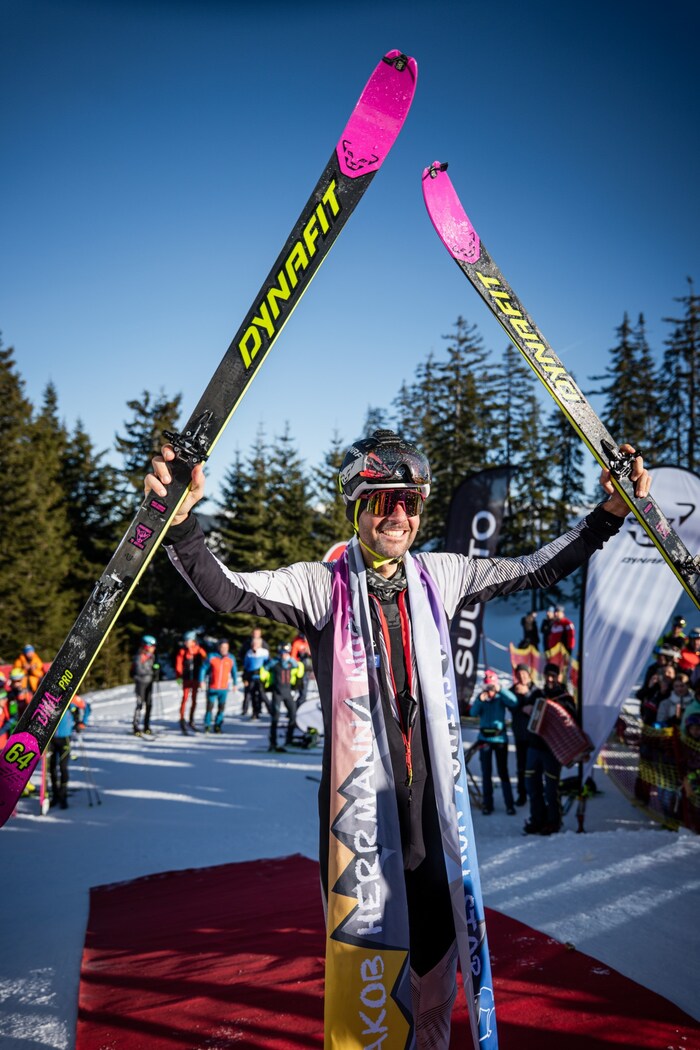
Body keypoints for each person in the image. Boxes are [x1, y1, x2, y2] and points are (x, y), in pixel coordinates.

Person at [146, 428, 649, 1049]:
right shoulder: (319, 584)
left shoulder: (442, 573)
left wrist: (610, 515)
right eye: (384, 500)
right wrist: (180, 522)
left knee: (437, 946)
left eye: (411, 501)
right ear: (358, 504)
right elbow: (225, 591)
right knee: (370, 956)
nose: (400, 514)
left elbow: (535, 569)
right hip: (360, 812)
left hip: (433, 813)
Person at [523, 662, 575, 835]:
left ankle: (553, 821)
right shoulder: (538, 694)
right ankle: (537, 819)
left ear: (559, 677)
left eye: (554, 675)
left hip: (552, 750)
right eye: (548, 675)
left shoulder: (565, 698)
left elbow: (571, 721)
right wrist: (527, 708)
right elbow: (523, 707)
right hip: (534, 746)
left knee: (551, 788)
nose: (550, 679)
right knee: (532, 786)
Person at [469, 670, 518, 815]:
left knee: (503, 772)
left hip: (500, 739)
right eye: (487, 688)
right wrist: (479, 700)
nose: (489, 691)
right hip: (484, 740)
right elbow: (472, 713)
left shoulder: (500, 699)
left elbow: (514, 702)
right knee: (486, 773)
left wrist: (500, 690)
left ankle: (509, 804)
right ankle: (487, 803)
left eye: (491, 688)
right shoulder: (482, 699)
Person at [260, 643, 304, 751]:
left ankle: (289, 739)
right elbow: (264, 669)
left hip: (288, 692)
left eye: (286, 653)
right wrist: (263, 681)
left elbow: (300, 668)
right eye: (283, 653)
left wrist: (298, 681)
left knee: (293, 714)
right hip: (277, 693)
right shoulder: (274, 663)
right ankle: (273, 742)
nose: (284, 655)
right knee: (275, 717)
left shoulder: (291, 663)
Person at [510, 663, 543, 806]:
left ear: (529, 675)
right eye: (519, 675)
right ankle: (522, 794)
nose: (522, 677)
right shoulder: (513, 690)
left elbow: (541, 705)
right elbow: (512, 707)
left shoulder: (536, 691)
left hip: (534, 738)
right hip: (520, 736)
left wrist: (526, 694)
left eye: (524, 674)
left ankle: (536, 793)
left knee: (535, 767)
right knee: (521, 767)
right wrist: (520, 696)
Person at [202, 640, 238, 733]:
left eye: (226, 647)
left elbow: (234, 672)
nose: (224, 649)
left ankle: (218, 725)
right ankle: (207, 725)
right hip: (212, 687)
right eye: (222, 647)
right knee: (209, 707)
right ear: (219, 647)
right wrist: (201, 681)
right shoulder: (212, 657)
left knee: (221, 707)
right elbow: (203, 669)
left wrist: (235, 683)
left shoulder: (231, 658)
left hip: (223, 688)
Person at [175, 631, 207, 733]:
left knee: (194, 699)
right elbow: (178, 664)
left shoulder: (199, 650)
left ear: (193, 641)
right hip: (186, 678)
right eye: (185, 641)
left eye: (187, 641)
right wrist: (179, 676)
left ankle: (191, 719)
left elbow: (206, 660)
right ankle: (182, 718)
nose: (186, 643)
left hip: (195, 679)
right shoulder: (183, 652)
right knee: (184, 698)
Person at [49, 702, 76, 809]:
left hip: (65, 738)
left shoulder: (70, 697)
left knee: (63, 767)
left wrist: (82, 722)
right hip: (51, 739)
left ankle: (63, 796)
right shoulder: (49, 699)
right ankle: (55, 795)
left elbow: (85, 706)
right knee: (51, 768)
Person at [132, 634, 158, 735]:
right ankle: (136, 726)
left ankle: (146, 726)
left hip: (149, 682)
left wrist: (156, 670)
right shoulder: (139, 656)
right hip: (140, 683)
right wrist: (151, 672)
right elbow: (138, 670)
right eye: (152, 646)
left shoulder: (152, 656)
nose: (154, 648)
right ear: (146, 646)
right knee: (140, 704)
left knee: (149, 704)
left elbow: (151, 668)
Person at [241, 634, 269, 719]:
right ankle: (254, 712)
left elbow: (268, 664)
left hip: (261, 678)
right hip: (251, 677)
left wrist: (263, 672)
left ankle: (270, 710)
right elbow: (246, 667)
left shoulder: (264, 653)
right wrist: (244, 678)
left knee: (262, 695)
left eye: (256, 644)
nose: (254, 646)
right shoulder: (249, 653)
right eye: (253, 644)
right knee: (252, 695)